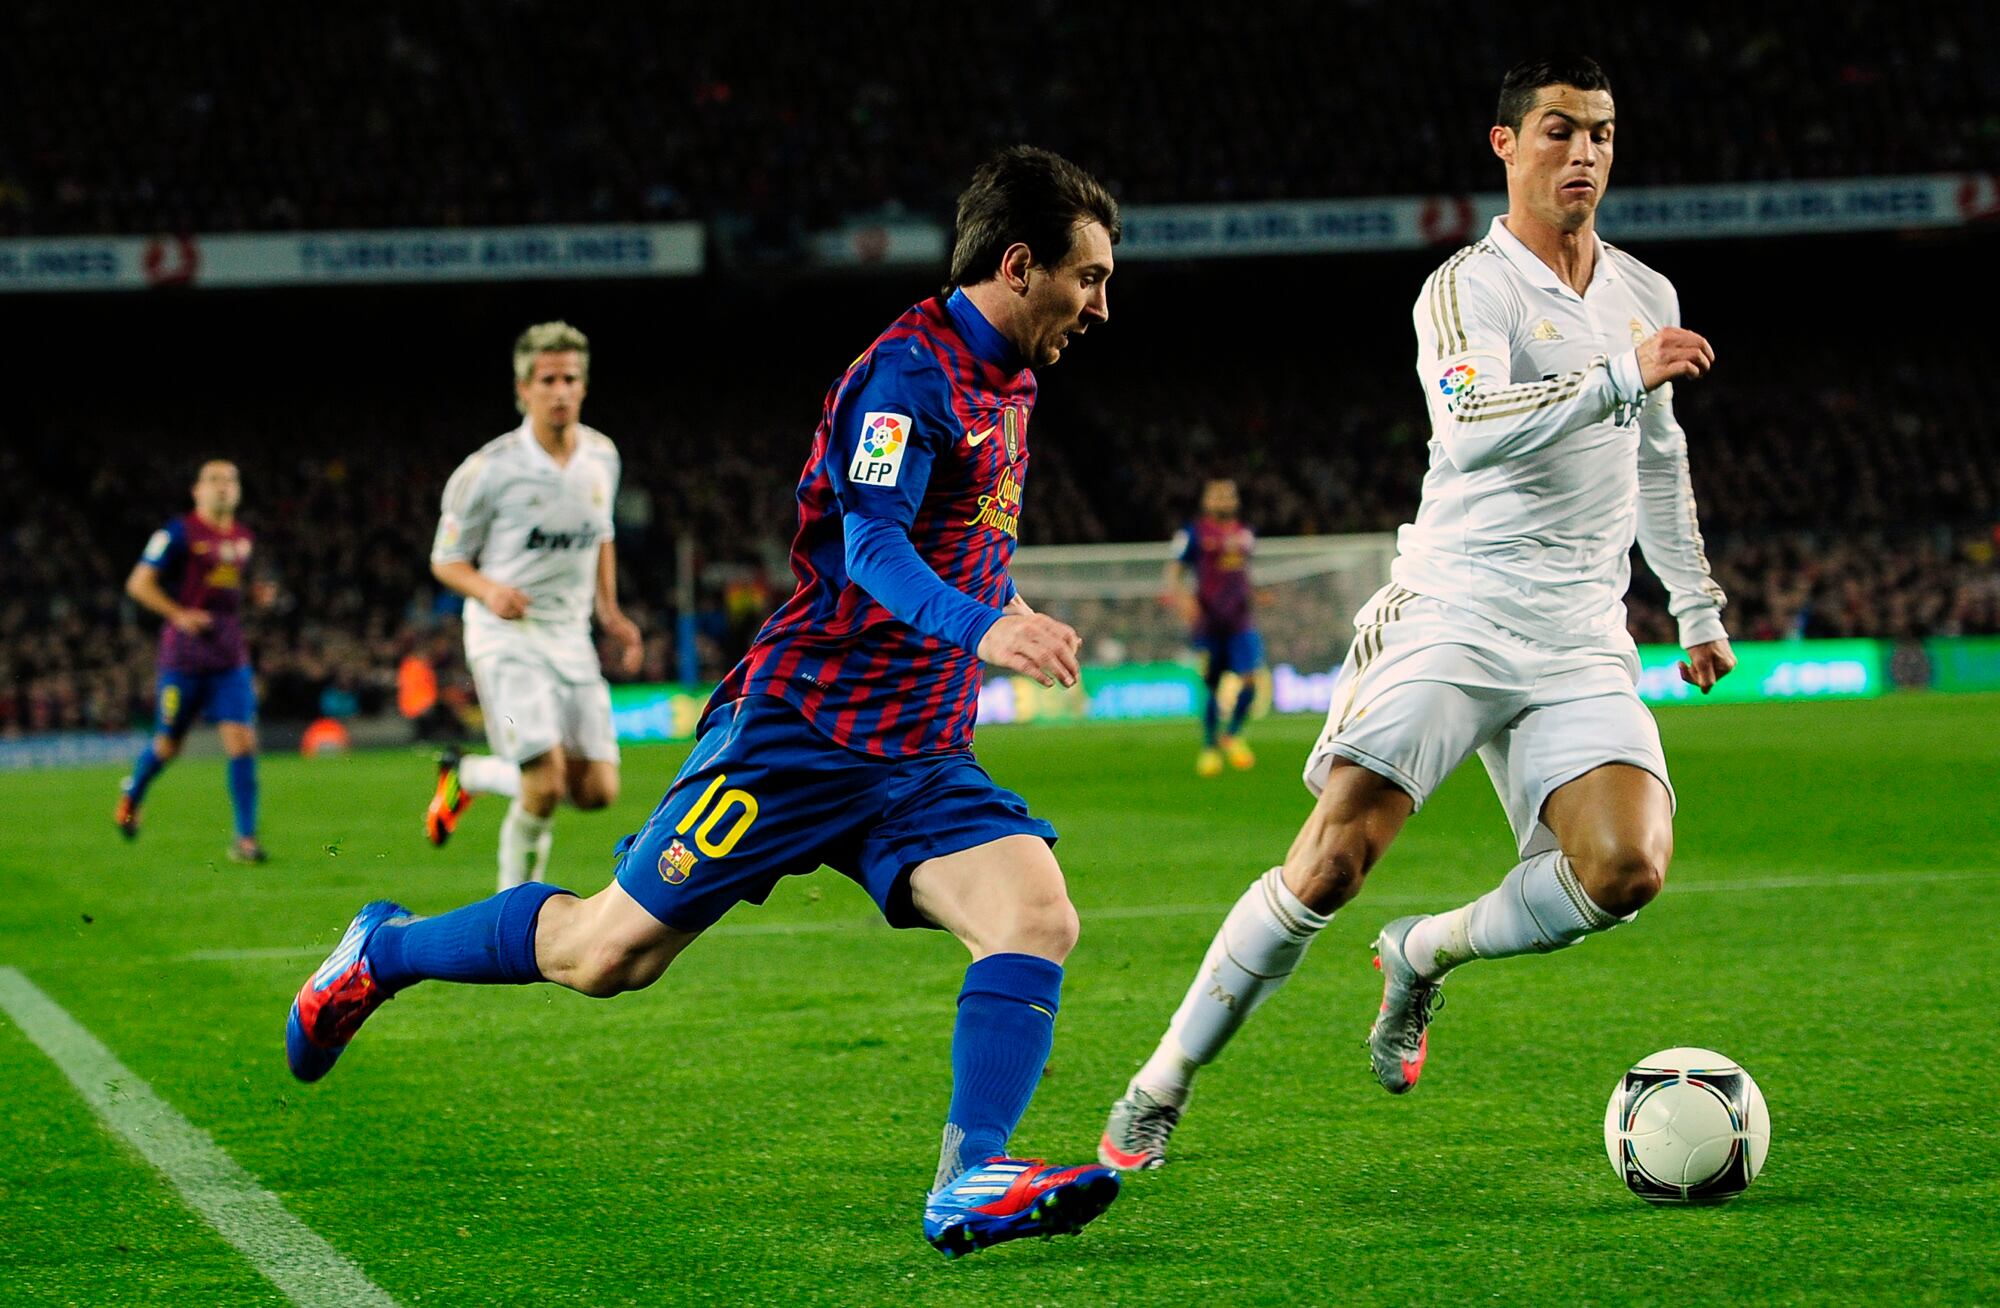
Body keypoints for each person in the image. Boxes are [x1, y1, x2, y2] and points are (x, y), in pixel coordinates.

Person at [289, 146, 1124, 1258]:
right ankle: (380, 953)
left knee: (1034, 916)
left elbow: (953, 534)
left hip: (917, 753)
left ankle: (969, 1178)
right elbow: (870, 545)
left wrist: (1001, 600)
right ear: (1020, 266)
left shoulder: (1010, 379)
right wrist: (988, 628)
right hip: (801, 733)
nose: (1100, 305)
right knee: (604, 956)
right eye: (1089, 277)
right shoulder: (906, 375)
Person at [1099, 54, 1736, 1171]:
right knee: (1331, 862)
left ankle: (1422, 955)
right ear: (1504, 145)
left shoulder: (1643, 293)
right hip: (1456, 608)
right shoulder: (1464, 287)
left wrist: (1692, 603)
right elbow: (1470, 429)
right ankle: (1163, 1079)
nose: (1581, 152)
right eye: (1556, 130)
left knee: (1625, 870)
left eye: (1598, 132)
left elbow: (1658, 461)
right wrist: (1614, 377)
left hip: (1579, 633)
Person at [421, 322, 644, 891]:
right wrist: (489, 590)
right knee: (543, 784)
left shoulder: (602, 456)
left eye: (570, 379)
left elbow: (601, 536)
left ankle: (468, 773)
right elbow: (446, 560)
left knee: (597, 792)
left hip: (569, 637)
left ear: (584, 386)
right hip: (507, 639)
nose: (560, 391)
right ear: (523, 390)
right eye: (547, 380)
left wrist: (610, 613)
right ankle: (511, 914)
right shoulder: (488, 470)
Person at [116, 459, 268, 864]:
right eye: (214, 480)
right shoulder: (176, 534)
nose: (223, 487)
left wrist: (255, 597)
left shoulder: (243, 538)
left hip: (229, 658)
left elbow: (228, 591)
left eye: (231, 480)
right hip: (184, 659)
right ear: (196, 490)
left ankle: (245, 838)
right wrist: (178, 614)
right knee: (168, 745)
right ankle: (132, 793)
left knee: (242, 741)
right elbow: (138, 583)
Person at [1168, 478, 1267, 777]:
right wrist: (1184, 602)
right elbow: (1175, 571)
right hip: (1208, 623)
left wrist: (1254, 595)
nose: (1223, 501)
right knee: (1211, 685)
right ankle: (1210, 747)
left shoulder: (1245, 534)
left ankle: (1232, 734)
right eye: (1217, 496)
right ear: (1207, 500)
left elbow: (1242, 574)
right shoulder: (1192, 533)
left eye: (1228, 496)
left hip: (1240, 622)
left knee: (1250, 679)